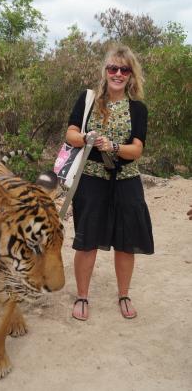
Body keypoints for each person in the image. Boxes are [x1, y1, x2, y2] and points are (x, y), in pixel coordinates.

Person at [66, 44, 154, 321]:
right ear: (105, 71)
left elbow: (136, 150)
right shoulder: (88, 99)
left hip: (126, 180)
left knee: (126, 241)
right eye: (113, 68)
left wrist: (114, 146)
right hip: (91, 178)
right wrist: (87, 138)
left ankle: (124, 294)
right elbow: (70, 134)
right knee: (87, 239)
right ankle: (82, 296)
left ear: (131, 74)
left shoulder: (138, 109)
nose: (118, 73)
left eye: (124, 69)